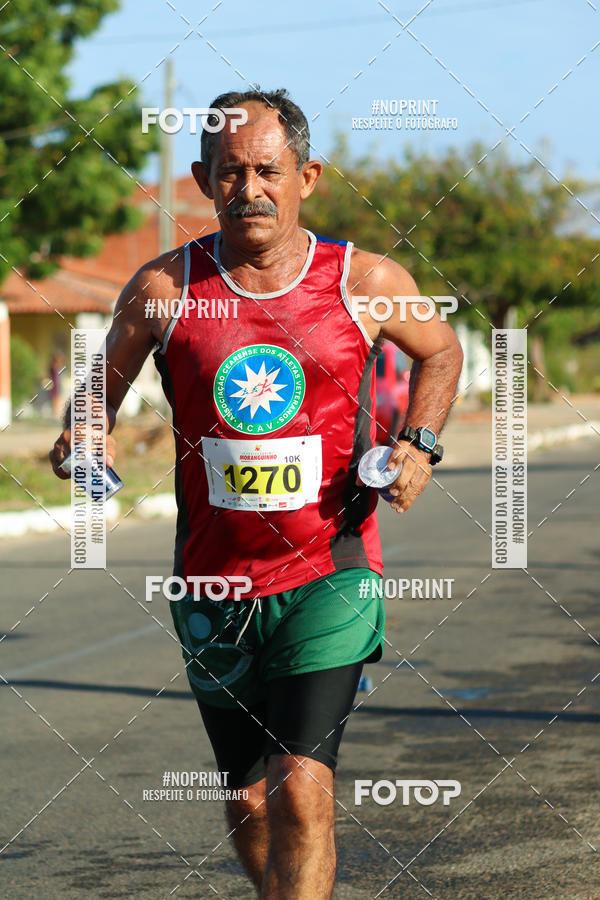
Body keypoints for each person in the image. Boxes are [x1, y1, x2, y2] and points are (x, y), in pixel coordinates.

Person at [49, 88, 463, 899]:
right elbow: (100, 386)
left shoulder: (365, 279)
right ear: (204, 180)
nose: (250, 189)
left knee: (302, 788)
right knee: (246, 797)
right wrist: (84, 434)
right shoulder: (166, 289)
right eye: (229, 172)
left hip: (331, 570)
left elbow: (441, 353)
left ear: (306, 175)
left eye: (268, 171)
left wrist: (416, 442)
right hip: (211, 579)